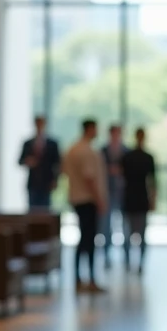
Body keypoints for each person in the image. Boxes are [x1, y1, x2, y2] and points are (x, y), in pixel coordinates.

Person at [63, 119, 107, 293]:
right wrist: (99, 200)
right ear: (89, 129)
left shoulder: (73, 149)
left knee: (85, 239)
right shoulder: (85, 151)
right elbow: (89, 178)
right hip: (87, 200)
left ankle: (80, 278)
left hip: (78, 199)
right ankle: (88, 279)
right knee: (88, 240)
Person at [120, 128, 157, 274]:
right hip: (138, 199)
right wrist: (153, 199)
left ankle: (130, 262)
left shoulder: (128, 157)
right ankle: (137, 263)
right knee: (139, 234)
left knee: (129, 234)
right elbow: (152, 182)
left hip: (131, 198)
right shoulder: (146, 157)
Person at [98, 124, 127, 267]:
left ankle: (126, 257)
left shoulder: (126, 151)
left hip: (123, 192)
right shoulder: (103, 151)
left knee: (125, 225)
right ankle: (106, 255)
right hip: (107, 192)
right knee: (105, 226)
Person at [18, 116, 60, 211]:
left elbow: (57, 163)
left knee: (46, 210)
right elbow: (20, 161)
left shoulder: (52, 144)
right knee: (33, 210)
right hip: (33, 183)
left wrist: (56, 180)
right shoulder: (28, 143)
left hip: (47, 183)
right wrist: (28, 161)